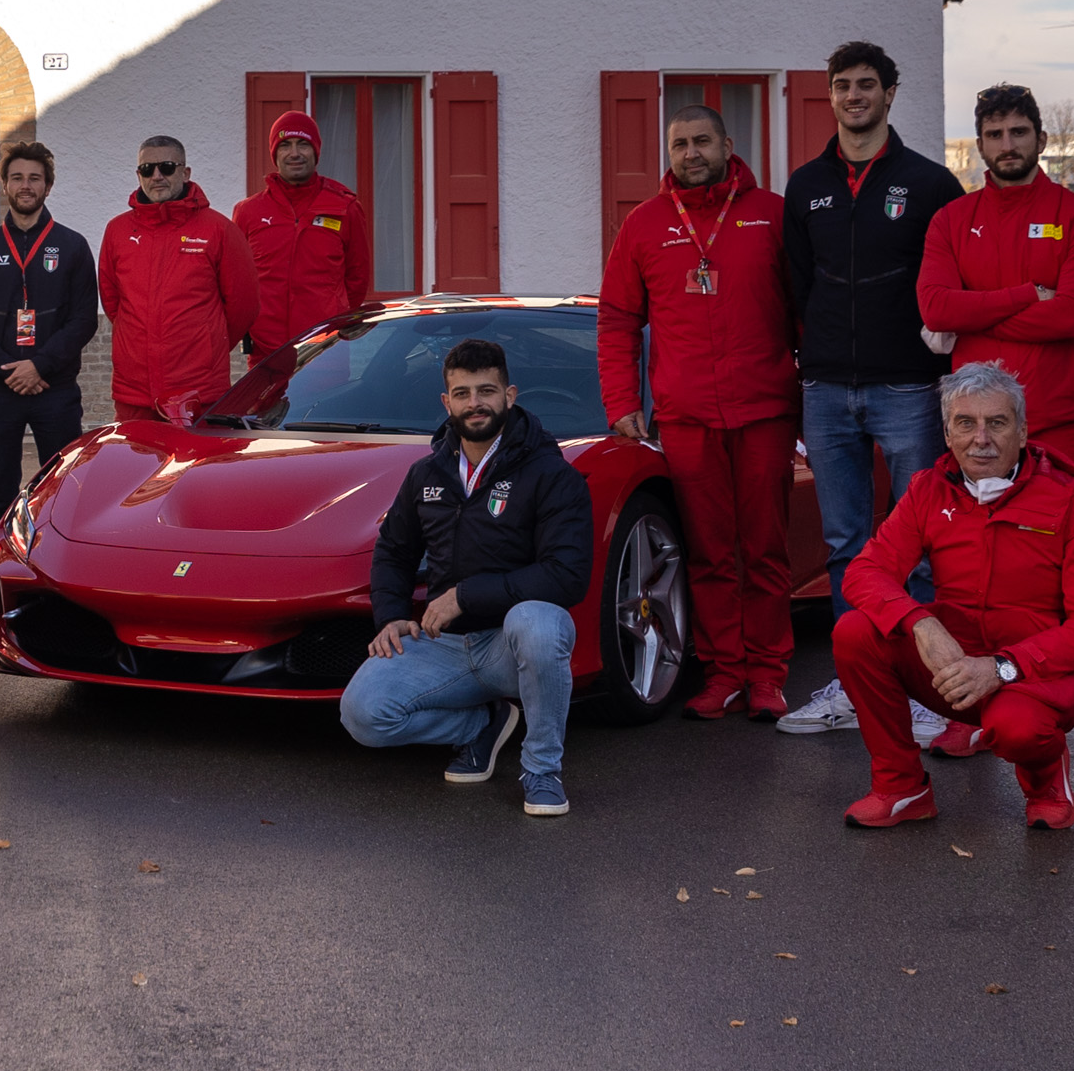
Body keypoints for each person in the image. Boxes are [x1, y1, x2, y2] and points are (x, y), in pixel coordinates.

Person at [915, 84, 1074, 777]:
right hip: (977, 431)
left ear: (1040, 138)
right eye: (994, 133)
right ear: (979, 142)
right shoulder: (953, 219)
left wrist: (977, 317)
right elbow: (932, 303)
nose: (1007, 144)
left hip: (1062, 425)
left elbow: (1073, 316)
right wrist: (1021, 298)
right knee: (974, 572)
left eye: (1018, 132)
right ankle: (974, 713)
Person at [831, 362, 1074, 833]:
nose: (980, 438)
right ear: (947, 434)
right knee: (856, 632)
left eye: (997, 423)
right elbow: (866, 571)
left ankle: (1047, 778)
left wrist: (1001, 667)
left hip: (1037, 676)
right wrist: (919, 624)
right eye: (965, 424)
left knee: (1017, 728)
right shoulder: (929, 488)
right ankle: (901, 786)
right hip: (957, 666)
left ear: (1024, 430)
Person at [775, 39, 964, 737]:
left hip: (908, 387)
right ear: (830, 95)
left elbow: (950, 281)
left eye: (866, 85)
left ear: (890, 92)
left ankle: (922, 687)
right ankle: (856, 685)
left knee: (919, 541)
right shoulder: (806, 185)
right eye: (842, 85)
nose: (853, 96)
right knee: (845, 543)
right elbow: (801, 282)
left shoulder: (931, 182)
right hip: (826, 389)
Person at [595, 103, 800, 719]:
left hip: (764, 409)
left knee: (764, 548)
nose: (691, 153)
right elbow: (617, 321)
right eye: (680, 143)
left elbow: (807, 313)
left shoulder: (772, 215)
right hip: (686, 419)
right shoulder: (644, 225)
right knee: (709, 552)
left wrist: (814, 398)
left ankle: (767, 674)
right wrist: (623, 404)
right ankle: (723, 672)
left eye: (702, 141)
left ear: (727, 143)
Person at [336, 338, 593, 818]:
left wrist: (465, 596)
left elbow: (567, 576)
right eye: (462, 393)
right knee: (363, 715)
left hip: (508, 646)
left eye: (486, 391)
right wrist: (390, 615)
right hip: (445, 646)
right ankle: (479, 726)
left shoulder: (552, 475)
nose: (474, 404)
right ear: (446, 401)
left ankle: (541, 769)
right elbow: (393, 550)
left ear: (510, 396)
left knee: (541, 621)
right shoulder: (426, 473)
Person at [0, 142, 98, 542]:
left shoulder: (72, 247)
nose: (25, 185)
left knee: (63, 488)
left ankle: (59, 573)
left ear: (48, 187)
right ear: (4, 184)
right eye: (17, 177)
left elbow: (84, 319)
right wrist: (7, 369)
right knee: (0, 492)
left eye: (35, 178)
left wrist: (40, 365)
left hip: (56, 389)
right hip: (0, 391)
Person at [98, 138, 258, 426]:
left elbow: (243, 306)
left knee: (196, 471)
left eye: (167, 167)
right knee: (136, 469)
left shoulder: (219, 229)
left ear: (185, 173)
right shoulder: (117, 231)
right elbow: (113, 302)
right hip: (135, 394)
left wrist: (207, 345)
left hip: (197, 392)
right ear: (138, 176)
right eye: (147, 169)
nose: (157, 176)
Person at [233, 108, 370, 361]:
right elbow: (237, 280)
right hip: (266, 352)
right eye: (285, 145)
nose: (294, 153)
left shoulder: (345, 208)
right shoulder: (247, 212)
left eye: (303, 144)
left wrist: (333, 318)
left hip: (326, 350)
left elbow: (357, 277)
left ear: (316, 151)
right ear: (275, 153)